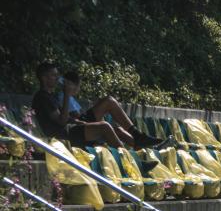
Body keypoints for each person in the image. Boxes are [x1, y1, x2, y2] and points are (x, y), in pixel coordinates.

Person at [32, 62, 163, 149]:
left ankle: (138, 140)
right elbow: (61, 122)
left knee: (111, 121)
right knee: (105, 126)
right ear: (44, 78)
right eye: (53, 75)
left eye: (56, 75)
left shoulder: (50, 96)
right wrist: (67, 95)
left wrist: (78, 122)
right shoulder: (42, 97)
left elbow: (64, 118)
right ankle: (131, 163)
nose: (57, 78)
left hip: (70, 128)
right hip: (63, 135)